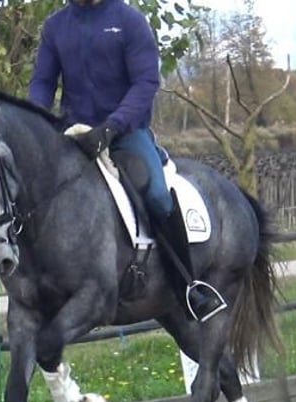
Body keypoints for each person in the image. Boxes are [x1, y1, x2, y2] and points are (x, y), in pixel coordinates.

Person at [28, 0, 225, 321]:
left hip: (125, 133)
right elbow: (43, 82)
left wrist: (112, 126)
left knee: (158, 196)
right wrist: (35, 119)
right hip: (74, 134)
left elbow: (146, 83)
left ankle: (189, 286)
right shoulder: (55, 26)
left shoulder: (129, 20)